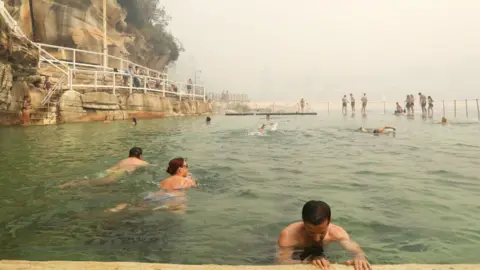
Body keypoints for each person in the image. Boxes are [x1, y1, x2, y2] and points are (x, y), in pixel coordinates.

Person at [277, 200, 371, 270]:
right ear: (303, 222)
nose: (317, 238)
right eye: (311, 232)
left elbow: (357, 251)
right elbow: (282, 262)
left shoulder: (337, 232)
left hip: (323, 252)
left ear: (329, 221)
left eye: (322, 232)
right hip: (299, 254)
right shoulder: (289, 235)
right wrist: (308, 262)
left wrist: (360, 257)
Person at [108, 157, 197, 213]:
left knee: (139, 207)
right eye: (186, 166)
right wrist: (191, 178)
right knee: (181, 212)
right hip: (172, 198)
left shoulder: (164, 181)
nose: (188, 168)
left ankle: (124, 206)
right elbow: (196, 186)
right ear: (180, 169)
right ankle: (164, 208)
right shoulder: (187, 181)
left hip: (154, 196)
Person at [58, 147, 150, 188]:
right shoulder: (142, 162)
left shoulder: (124, 160)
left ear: (129, 154)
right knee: (108, 181)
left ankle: (77, 182)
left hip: (111, 169)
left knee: (100, 177)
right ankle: (75, 183)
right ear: (140, 155)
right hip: (122, 171)